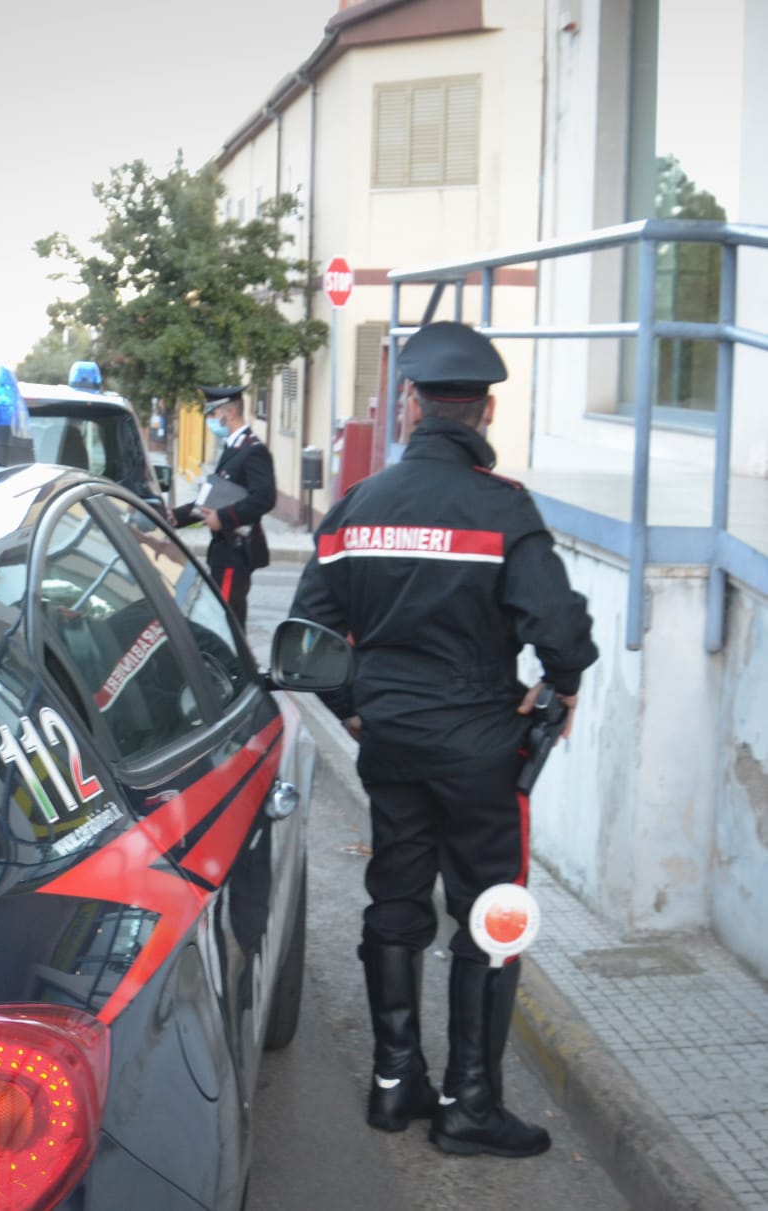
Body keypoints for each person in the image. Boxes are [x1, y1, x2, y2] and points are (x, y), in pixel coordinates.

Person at [288, 322, 598, 1158]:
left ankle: (394, 1088)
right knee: (489, 914)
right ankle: (471, 1104)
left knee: (394, 901)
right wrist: (560, 685)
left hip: (387, 739)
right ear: (485, 411)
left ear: (411, 404)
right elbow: (558, 626)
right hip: (480, 748)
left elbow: (308, 630)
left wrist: (355, 706)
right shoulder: (503, 507)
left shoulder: (357, 505)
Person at [172, 386, 274, 625]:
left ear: (227, 412)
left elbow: (264, 498)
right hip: (223, 553)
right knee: (226, 622)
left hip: (235, 553)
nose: (210, 420)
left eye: (211, 413)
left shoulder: (253, 451)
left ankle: (232, 663)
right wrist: (172, 518)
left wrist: (224, 518)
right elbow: (210, 501)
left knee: (223, 622)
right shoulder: (234, 449)